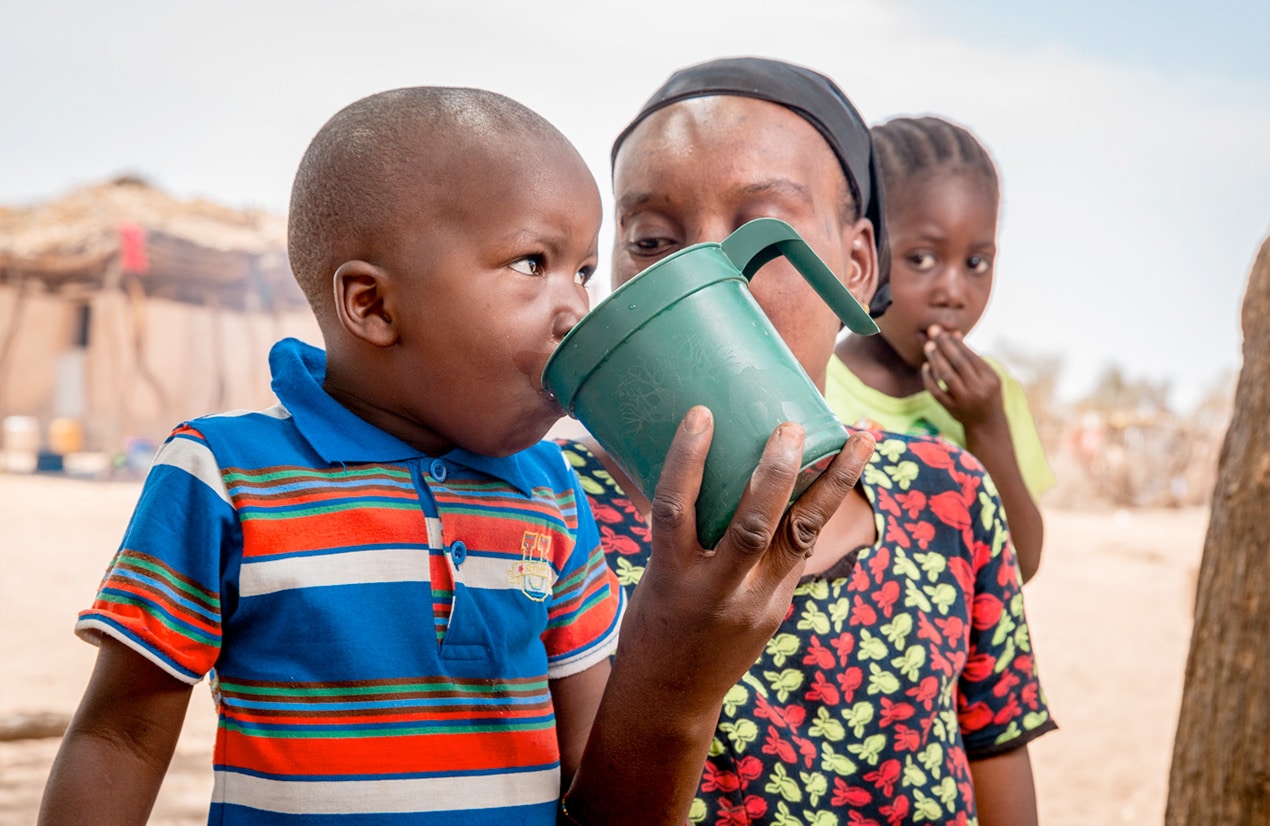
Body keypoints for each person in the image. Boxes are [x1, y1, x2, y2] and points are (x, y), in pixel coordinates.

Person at [38, 86, 877, 826]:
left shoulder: (552, 500)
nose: (575, 311)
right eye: (532, 263)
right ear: (372, 304)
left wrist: (677, 660)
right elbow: (119, 732)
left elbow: (595, 785)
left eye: (584, 271)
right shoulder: (229, 477)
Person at [558, 57, 1055, 825]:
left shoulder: (948, 496)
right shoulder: (539, 518)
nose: (697, 275)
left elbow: (996, 760)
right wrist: (668, 689)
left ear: (857, 266)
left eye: (762, 234)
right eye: (652, 240)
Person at [828, 116, 1054, 583]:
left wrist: (985, 426)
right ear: (862, 251)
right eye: (923, 259)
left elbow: (1021, 565)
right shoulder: (815, 383)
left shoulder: (994, 395)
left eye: (976, 262)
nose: (953, 291)